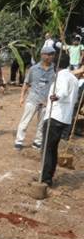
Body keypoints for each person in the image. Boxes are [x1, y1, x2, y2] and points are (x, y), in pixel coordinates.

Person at [39, 53, 79, 187]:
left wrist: (55, 97)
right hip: (65, 118)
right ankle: (47, 176)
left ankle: (45, 179)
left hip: (55, 116)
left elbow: (62, 93)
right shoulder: (73, 78)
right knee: (52, 148)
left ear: (55, 64)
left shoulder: (61, 76)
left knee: (47, 149)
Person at [15, 46, 56, 150]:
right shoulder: (34, 69)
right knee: (25, 121)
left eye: (51, 54)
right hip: (33, 99)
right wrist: (22, 97)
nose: (49, 56)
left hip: (46, 102)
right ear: (42, 55)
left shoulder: (55, 70)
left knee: (42, 124)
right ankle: (19, 141)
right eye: (47, 54)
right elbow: (26, 83)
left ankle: (37, 142)